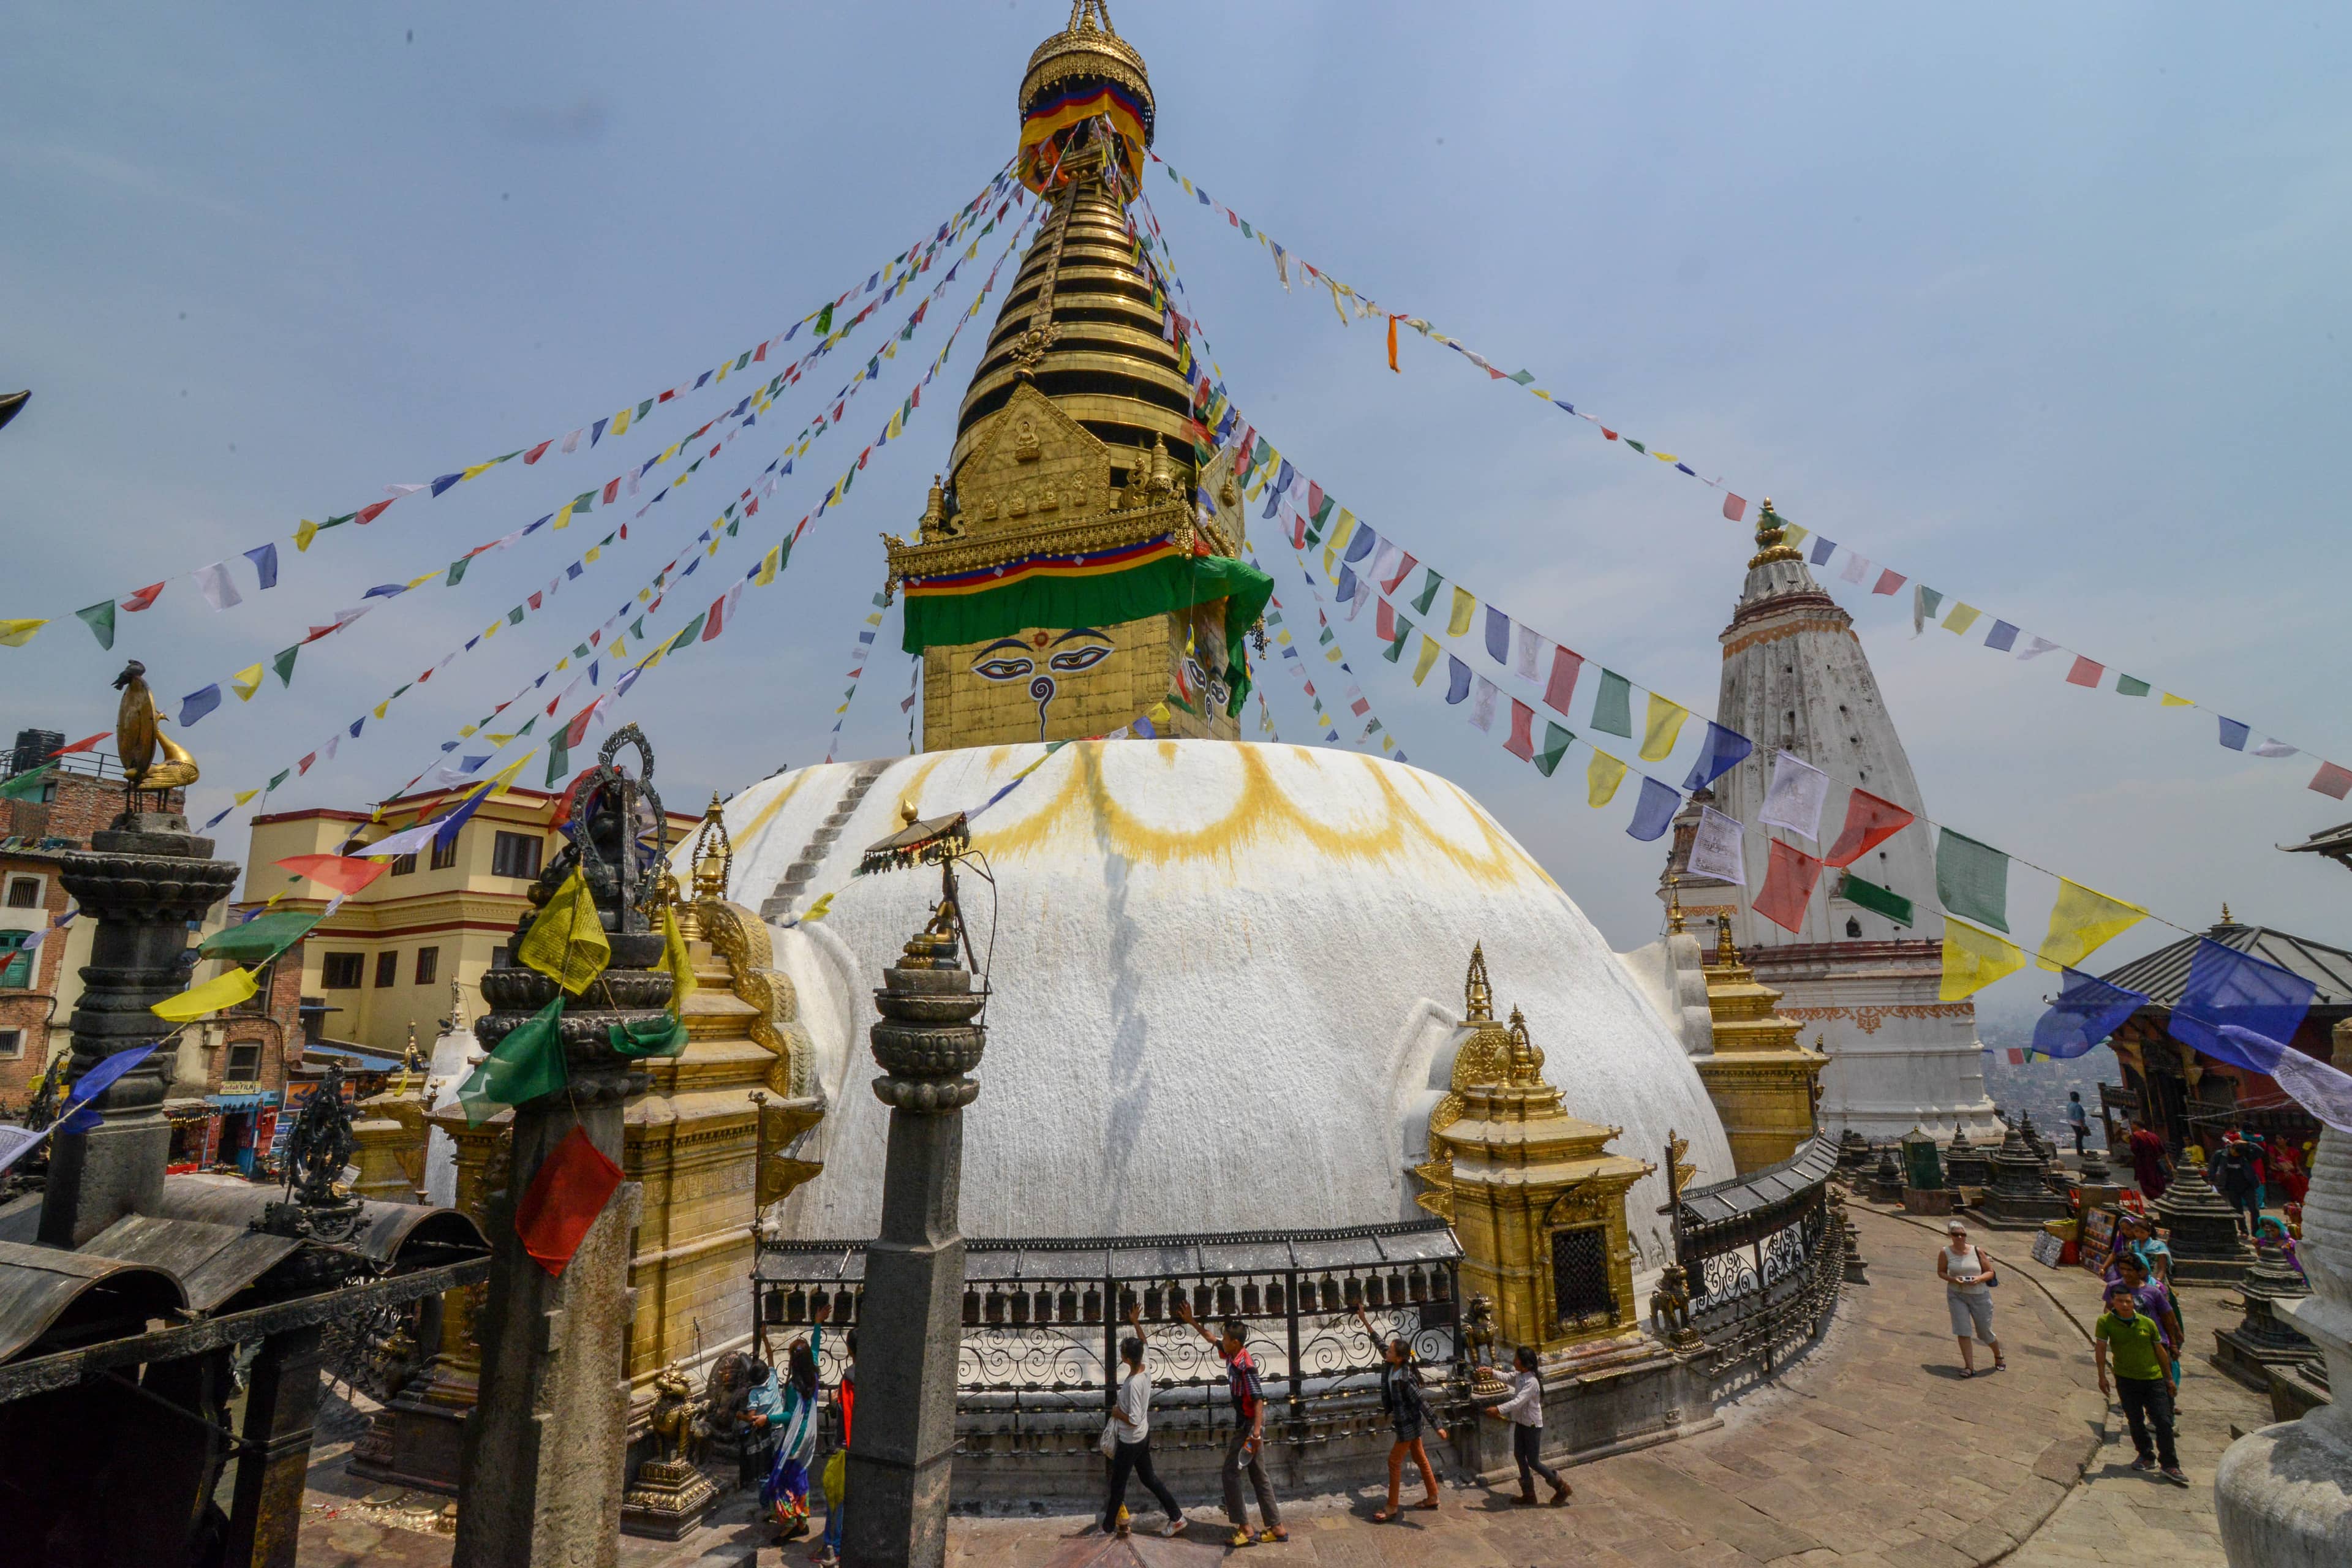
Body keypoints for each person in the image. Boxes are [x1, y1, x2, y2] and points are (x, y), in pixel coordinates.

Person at [1173, 1297, 1286, 1548]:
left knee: (1230, 1473)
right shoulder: (1231, 1353)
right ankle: (1277, 1527)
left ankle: (1245, 1528)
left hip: (1249, 1425)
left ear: (1235, 1342)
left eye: (1225, 1339)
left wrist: (1256, 1434)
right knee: (1258, 1475)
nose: (1221, 1341)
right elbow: (1211, 1338)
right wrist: (1192, 1321)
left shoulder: (1246, 1366)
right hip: (1248, 1424)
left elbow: (1258, 1400)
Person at [1353, 1306, 1447, 1520]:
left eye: (1390, 1352)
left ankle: (1392, 1506)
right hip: (1408, 1422)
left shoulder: (1405, 1379)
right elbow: (1379, 1342)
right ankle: (1433, 1496)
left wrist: (1438, 1426)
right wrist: (1364, 1320)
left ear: (1398, 1358)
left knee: (1394, 1462)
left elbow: (1422, 1402)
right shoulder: (1392, 1365)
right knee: (1420, 1458)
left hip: (1408, 1425)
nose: (1386, 1352)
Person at [1100, 1306, 1186, 1539]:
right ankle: (1177, 1516)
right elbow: (1145, 1343)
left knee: (1118, 1486)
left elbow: (1135, 1419)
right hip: (1142, 1437)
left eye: (1122, 1353)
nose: (1121, 1355)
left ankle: (1107, 1529)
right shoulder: (1145, 1366)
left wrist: (1117, 1413)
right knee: (1149, 1479)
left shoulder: (1133, 1384)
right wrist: (1135, 1322)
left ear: (1127, 1359)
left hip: (1131, 1442)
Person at [2095, 1281, 2189, 1486]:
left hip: (2153, 1378)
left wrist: (2169, 1379)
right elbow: (2101, 1348)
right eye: (2120, 1302)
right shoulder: (2105, 1323)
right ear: (2113, 1303)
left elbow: (2160, 1352)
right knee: (2135, 1420)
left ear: (2133, 1303)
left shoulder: (2147, 1323)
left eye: (2128, 1302)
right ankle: (2146, 1455)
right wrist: (2102, 1376)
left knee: (2163, 1421)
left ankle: (2170, 1464)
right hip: (2126, 1378)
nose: (2125, 1305)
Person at [760, 1300, 829, 1540]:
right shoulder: (813, 1374)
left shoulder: (793, 1388)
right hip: (809, 1435)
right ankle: (802, 1519)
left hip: (796, 1438)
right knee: (800, 1478)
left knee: (784, 1480)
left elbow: (790, 1415)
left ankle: (790, 1523)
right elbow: (815, 1348)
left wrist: (767, 1418)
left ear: (793, 1362)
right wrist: (818, 1324)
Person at [1482, 1344, 1571, 1506]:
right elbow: (1508, 1377)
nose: (1514, 1361)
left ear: (1525, 1364)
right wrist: (1492, 1372)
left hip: (1532, 1425)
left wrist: (1498, 1409)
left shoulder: (1532, 1383)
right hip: (1521, 1423)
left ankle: (1561, 1487)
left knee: (1534, 1461)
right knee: (1518, 1455)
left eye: (1516, 1359)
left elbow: (1518, 1401)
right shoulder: (1520, 1375)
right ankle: (1529, 1494)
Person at [1936, 1219, 2005, 1378]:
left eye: (1963, 1234)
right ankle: (1969, 1366)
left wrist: (1978, 1279)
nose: (1960, 1237)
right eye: (1956, 1234)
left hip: (1979, 1296)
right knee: (1963, 1330)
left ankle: (1998, 1354)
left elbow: (1990, 1272)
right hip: (1956, 1295)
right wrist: (1953, 1280)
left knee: (1984, 1332)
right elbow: (1941, 1272)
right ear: (1950, 1235)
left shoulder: (1976, 1251)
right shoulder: (1945, 1252)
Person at [815, 1329, 857, 1567]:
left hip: (847, 1448)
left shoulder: (849, 1378)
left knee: (836, 1497)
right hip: (870, 1448)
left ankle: (833, 1546)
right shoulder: (876, 1374)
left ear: (849, 1350)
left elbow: (847, 1412)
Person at [737, 1356, 785, 1494]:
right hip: (780, 1427)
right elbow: (771, 1359)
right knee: (778, 1458)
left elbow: (751, 1417)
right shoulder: (773, 1380)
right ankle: (779, 1485)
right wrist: (766, 1344)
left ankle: (768, 1491)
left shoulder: (754, 1394)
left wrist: (740, 1416)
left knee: (766, 1461)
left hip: (766, 1430)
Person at [2215, 1130, 2263, 1237]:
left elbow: (2260, 1151)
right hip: (2231, 1186)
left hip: (2248, 1185)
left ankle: (2256, 1232)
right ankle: (2243, 1231)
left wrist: (2247, 1143)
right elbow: (2213, 1166)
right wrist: (2212, 1179)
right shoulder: (2222, 1155)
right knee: (2237, 1210)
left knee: (2254, 1209)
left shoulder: (2246, 1155)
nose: (2236, 1155)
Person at [2127, 1118, 2169, 1200]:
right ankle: (2161, 1195)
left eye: (2132, 1125)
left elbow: (2134, 1149)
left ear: (2136, 1125)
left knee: (2146, 1182)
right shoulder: (2154, 1136)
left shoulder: (2136, 1135)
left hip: (2143, 1163)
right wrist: (2169, 1163)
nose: (2131, 1126)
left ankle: (2156, 1196)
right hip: (2155, 1162)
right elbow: (2163, 1150)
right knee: (2157, 1180)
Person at [2065, 1091, 2090, 1157]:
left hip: (2072, 1123)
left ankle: (2080, 1149)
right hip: (2078, 1124)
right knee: (2079, 1138)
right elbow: (2079, 1118)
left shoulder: (2070, 1105)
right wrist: (2082, 1127)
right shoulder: (2077, 1106)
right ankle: (2080, 1152)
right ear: (2078, 1099)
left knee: (2078, 1137)